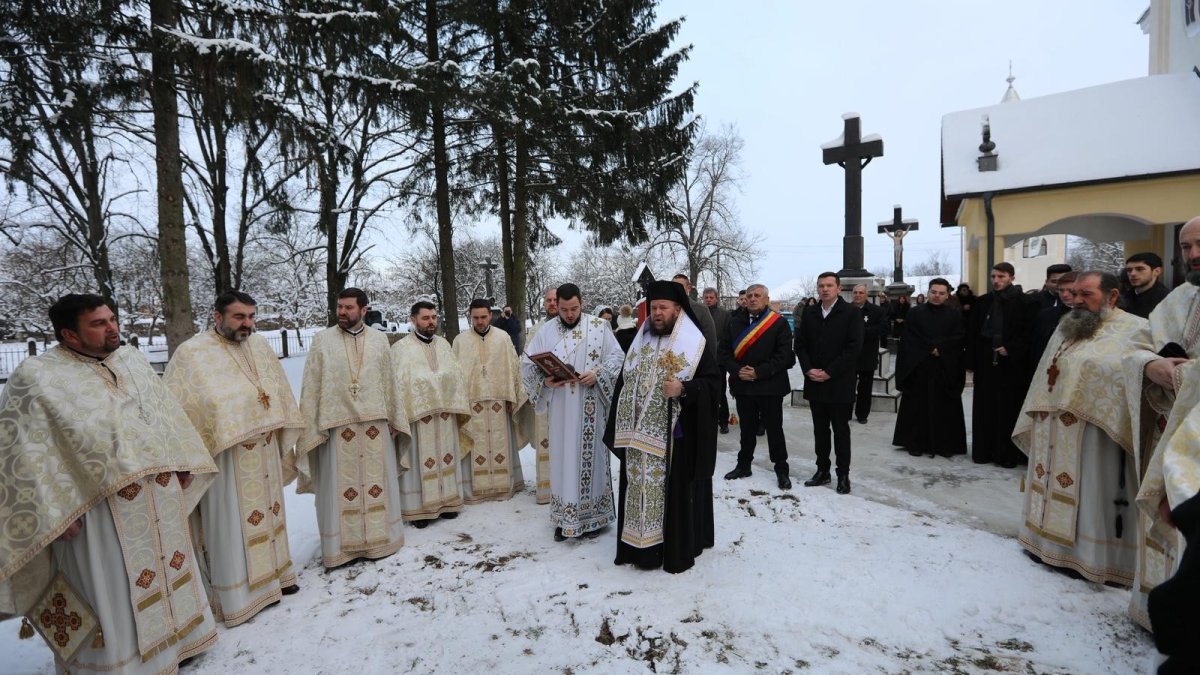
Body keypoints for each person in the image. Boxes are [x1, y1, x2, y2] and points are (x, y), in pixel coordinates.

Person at [0, 294, 219, 674]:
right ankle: (122, 664)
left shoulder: (130, 359)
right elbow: (20, 451)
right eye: (99, 324)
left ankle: (181, 641)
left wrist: (181, 459)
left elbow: (163, 412)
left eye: (112, 319)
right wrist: (50, 513)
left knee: (171, 567)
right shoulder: (35, 377)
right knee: (115, 587)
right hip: (96, 507)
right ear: (69, 334)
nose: (113, 328)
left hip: (159, 494)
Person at [165, 290, 305, 627]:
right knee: (232, 523)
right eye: (239, 317)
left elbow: (276, 389)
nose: (248, 324)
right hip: (226, 457)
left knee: (269, 514)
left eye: (252, 317)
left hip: (264, 449)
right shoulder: (192, 354)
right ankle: (237, 595)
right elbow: (177, 411)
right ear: (218, 316)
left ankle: (277, 577)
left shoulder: (259, 345)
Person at [1013, 271, 1155, 586]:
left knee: (1092, 491)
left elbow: (1139, 380)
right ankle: (1042, 544)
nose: (1075, 300)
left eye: (1085, 294)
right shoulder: (1067, 326)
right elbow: (1047, 371)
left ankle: (1089, 558)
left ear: (1112, 296)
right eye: (1073, 293)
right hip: (1053, 427)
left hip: (1098, 434)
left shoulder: (1138, 330)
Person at [605, 281, 721, 573]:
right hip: (636, 438)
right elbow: (624, 382)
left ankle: (668, 550)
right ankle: (638, 550)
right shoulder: (640, 342)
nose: (657, 313)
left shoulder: (694, 344)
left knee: (670, 494)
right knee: (637, 489)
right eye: (654, 307)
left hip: (675, 438)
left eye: (663, 308)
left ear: (677, 310)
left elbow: (713, 385)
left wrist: (684, 389)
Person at [294, 288, 409, 569]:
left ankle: (381, 542)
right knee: (338, 488)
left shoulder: (379, 340)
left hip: (375, 427)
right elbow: (311, 387)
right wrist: (311, 428)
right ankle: (340, 549)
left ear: (364, 310)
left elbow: (389, 381)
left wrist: (395, 417)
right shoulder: (322, 341)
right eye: (340, 307)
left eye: (348, 307)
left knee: (377, 484)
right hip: (336, 430)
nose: (342, 312)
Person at [1130, 216, 1200, 631]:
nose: (1193, 255)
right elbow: (1138, 345)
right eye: (1186, 247)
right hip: (1166, 432)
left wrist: (1184, 374)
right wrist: (1149, 364)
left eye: (1199, 244)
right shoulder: (1178, 298)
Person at [520, 283, 624, 541]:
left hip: (590, 406)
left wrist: (598, 374)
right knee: (563, 459)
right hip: (560, 407)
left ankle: (594, 517)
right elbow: (527, 366)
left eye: (574, 309)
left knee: (592, 459)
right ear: (556, 306)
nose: (569, 314)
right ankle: (564, 518)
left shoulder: (599, 327)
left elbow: (617, 358)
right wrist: (545, 382)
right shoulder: (545, 331)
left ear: (582, 303)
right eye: (564, 309)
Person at [389, 301, 471, 527]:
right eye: (425, 318)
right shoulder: (400, 349)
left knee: (447, 457)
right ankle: (420, 511)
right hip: (418, 417)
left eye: (434, 317)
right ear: (413, 320)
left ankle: (448, 503)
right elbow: (396, 384)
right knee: (419, 462)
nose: (431, 322)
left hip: (445, 416)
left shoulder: (443, 344)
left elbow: (456, 375)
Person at [719, 283, 795, 489]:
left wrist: (758, 372)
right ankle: (744, 465)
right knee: (747, 429)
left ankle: (781, 470)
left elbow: (784, 356)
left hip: (770, 386)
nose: (753, 299)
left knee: (774, 430)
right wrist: (737, 370)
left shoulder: (778, 323)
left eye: (757, 295)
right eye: (750, 295)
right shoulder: (734, 322)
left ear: (766, 299)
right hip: (743, 385)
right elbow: (723, 352)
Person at [794, 273, 864, 494]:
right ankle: (822, 470)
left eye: (829, 285)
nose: (825, 289)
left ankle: (843, 475)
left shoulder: (851, 312)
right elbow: (800, 344)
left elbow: (854, 347)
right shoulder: (810, 313)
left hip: (840, 383)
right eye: (821, 286)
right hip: (815, 382)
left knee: (841, 431)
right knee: (820, 431)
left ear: (838, 288)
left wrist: (830, 372)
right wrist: (808, 369)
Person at [454, 298, 529, 503]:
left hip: (499, 402)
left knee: (500, 444)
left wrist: (513, 396)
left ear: (490, 315)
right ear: (470, 317)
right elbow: (456, 375)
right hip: (472, 403)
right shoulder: (460, 341)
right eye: (475, 317)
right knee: (475, 443)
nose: (480, 321)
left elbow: (513, 368)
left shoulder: (503, 338)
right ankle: (472, 489)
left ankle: (505, 486)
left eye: (483, 317)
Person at [966, 262, 1037, 468]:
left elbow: (1030, 333)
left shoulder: (1026, 303)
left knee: (1008, 409)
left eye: (1001, 276)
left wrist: (1011, 348)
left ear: (1011, 277)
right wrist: (971, 362)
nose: (996, 281)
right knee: (984, 408)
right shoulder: (983, 302)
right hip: (986, 363)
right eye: (993, 277)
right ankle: (984, 452)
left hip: (1012, 365)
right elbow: (973, 333)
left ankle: (1005, 454)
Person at [892, 278, 967, 458]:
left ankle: (945, 445)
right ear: (928, 292)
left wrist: (940, 348)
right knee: (917, 407)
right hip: (919, 367)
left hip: (944, 368)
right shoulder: (915, 313)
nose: (936, 296)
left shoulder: (955, 314)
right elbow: (910, 336)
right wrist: (929, 348)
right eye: (933, 292)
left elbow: (959, 337)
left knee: (945, 408)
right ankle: (916, 443)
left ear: (947, 295)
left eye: (941, 293)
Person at [520, 287, 559, 504]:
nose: (552, 303)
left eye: (555, 300)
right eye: (548, 300)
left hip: (567, 393)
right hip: (544, 391)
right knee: (545, 439)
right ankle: (546, 489)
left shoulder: (573, 328)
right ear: (543, 304)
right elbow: (526, 362)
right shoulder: (536, 330)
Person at [849, 284, 886, 424]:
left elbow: (883, 328)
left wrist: (862, 332)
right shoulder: (846, 309)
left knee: (865, 388)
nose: (858, 295)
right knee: (847, 387)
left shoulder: (877, 311)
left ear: (866, 295)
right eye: (855, 292)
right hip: (849, 357)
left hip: (867, 355)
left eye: (861, 293)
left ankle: (862, 414)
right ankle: (845, 413)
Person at [1031, 271, 1077, 366]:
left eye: (1071, 290)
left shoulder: (1094, 315)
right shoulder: (1046, 314)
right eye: (1061, 290)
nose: (1065, 295)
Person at [703, 287, 732, 434]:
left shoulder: (725, 315)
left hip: (719, 360)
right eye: (706, 297)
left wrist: (717, 347)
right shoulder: (699, 313)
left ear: (717, 298)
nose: (708, 300)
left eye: (711, 297)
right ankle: (708, 420)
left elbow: (728, 336)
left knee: (720, 391)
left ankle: (723, 421)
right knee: (704, 391)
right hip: (702, 359)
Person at [671, 274, 718, 362]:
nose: (676, 289)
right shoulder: (666, 309)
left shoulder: (701, 310)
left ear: (688, 288)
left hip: (694, 361)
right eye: (673, 286)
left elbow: (710, 340)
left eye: (680, 286)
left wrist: (710, 364)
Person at [1122, 252, 1169, 319]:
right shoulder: (1124, 296)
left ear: (1157, 271)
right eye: (1129, 270)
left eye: (1139, 269)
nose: (1132, 274)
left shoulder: (1166, 300)